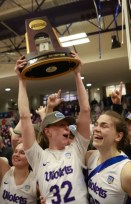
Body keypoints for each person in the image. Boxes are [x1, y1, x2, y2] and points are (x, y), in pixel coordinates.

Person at [16, 52, 91, 203]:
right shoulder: (38, 157)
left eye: (67, 126)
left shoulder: (77, 149)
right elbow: (24, 117)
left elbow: (85, 110)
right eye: (61, 126)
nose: (67, 129)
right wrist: (21, 80)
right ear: (47, 131)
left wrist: (77, 74)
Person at [85, 110, 131, 203]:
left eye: (104, 126)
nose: (96, 129)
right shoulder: (89, 156)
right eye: (96, 124)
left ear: (118, 136)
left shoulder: (129, 172)